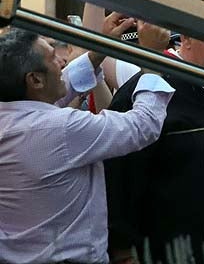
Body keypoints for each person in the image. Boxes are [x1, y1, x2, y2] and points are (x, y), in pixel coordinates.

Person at [0, 26, 174, 264]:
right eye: (53, 58)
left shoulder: (13, 117)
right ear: (35, 79)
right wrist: (152, 60)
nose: (62, 62)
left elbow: (50, 97)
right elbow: (142, 125)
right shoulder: (59, 129)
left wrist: (99, 50)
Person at [105, 34, 204, 264]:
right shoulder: (146, 91)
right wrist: (123, 251)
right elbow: (118, 179)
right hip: (165, 250)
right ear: (188, 38)